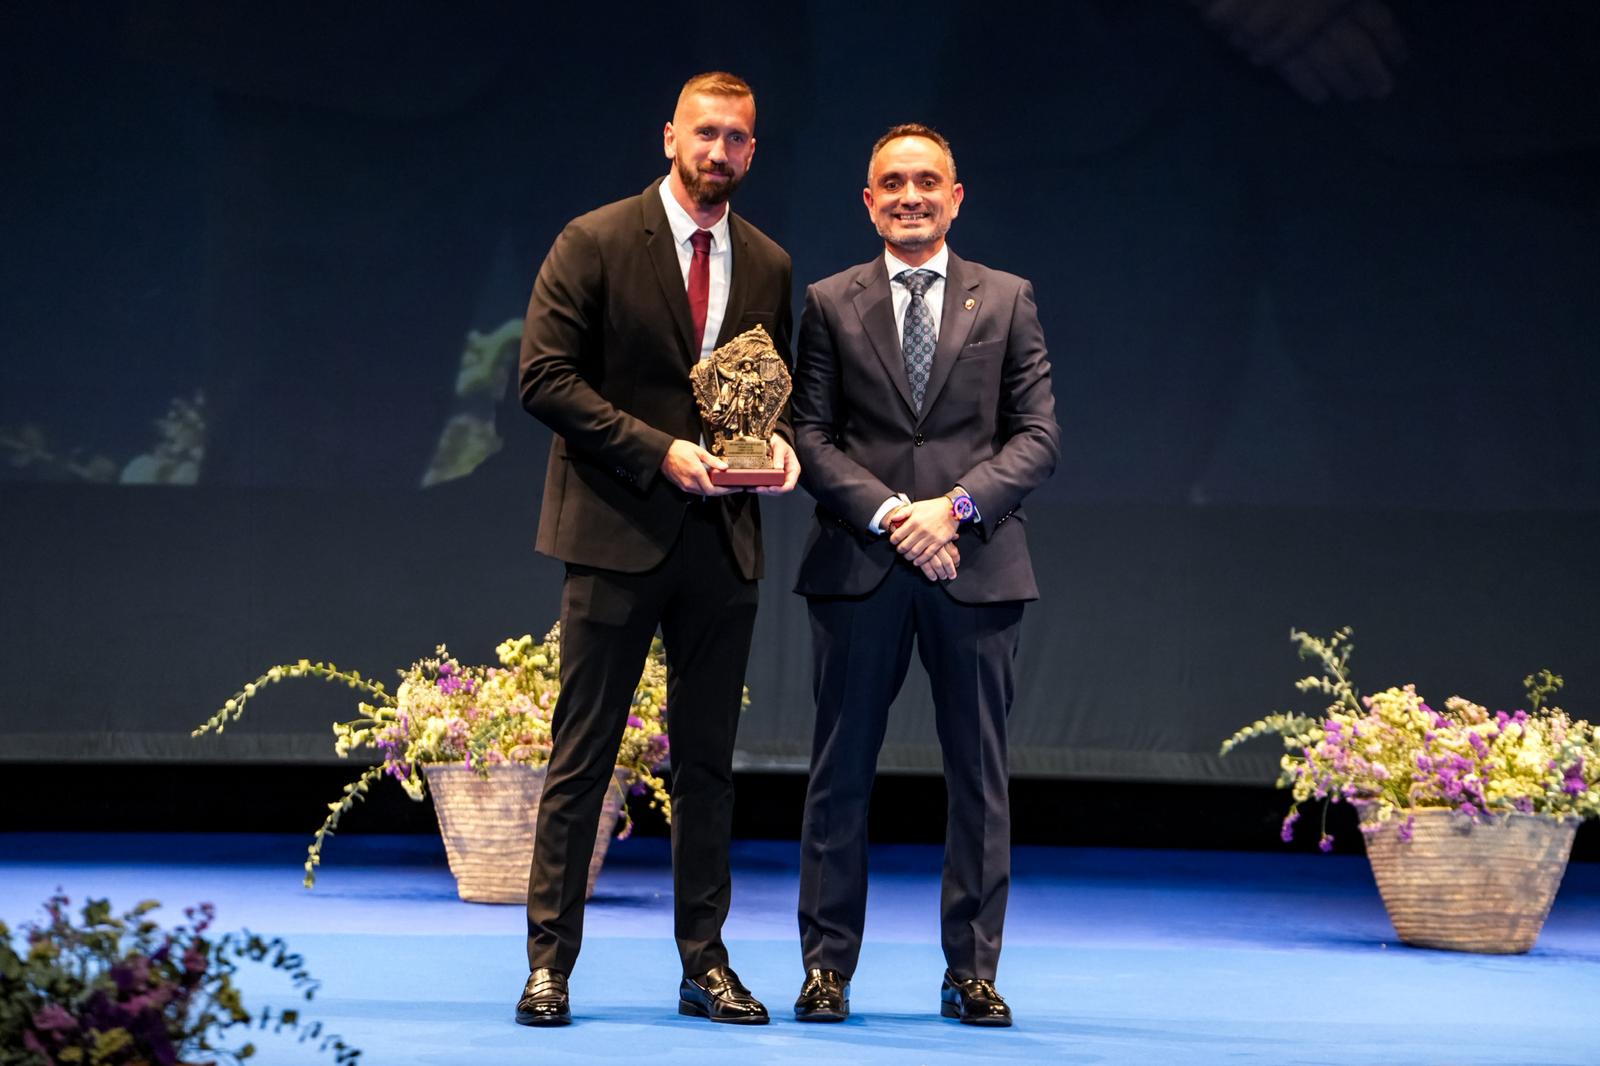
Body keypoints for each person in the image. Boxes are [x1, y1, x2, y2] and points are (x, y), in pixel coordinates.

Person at [514, 71, 799, 1027]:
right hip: (614, 531)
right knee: (583, 757)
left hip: (723, 540)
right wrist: (657, 451)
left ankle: (704, 965)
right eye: (705, 133)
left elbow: (764, 392)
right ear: (669, 136)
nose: (720, 152)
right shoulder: (594, 240)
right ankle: (549, 965)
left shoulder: (768, 263)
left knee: (709, 766)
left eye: (737, 138)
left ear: (753, 150)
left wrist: (779, 451)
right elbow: (544, 378)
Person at [789, 124, 1059, 1026]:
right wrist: (896, 516)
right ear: (869, 201)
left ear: (956, 196)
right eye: (893, 183)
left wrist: (955, 509)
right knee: (840, 776)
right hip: (861, 563)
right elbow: (809, 436)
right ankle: (826, 968)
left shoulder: (1008, 298)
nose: (911, 196)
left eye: (927, 181)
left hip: (975, 565)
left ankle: (972, 972)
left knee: (979, 778)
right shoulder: (829, 301)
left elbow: (1037, 437)